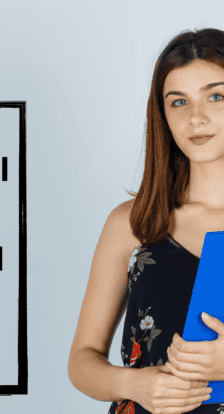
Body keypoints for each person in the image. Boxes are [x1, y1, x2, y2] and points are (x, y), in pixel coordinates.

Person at [68, 28, 224, 414]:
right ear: (163, 115)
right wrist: (131, 383)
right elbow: (81, 360)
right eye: (178, 102)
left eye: (216, 96)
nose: (196, 117)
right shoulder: (132, 223)